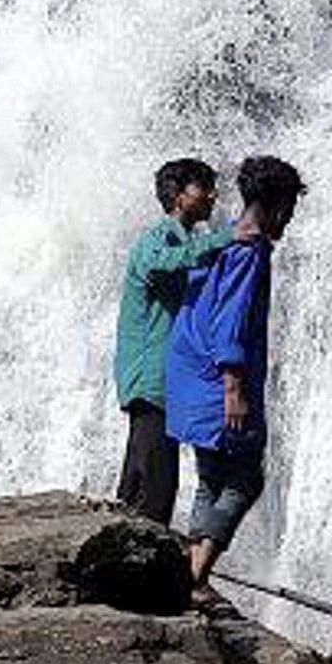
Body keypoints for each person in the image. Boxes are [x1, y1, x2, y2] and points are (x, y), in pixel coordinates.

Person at [160, 153, 306, 596]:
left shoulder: (221, 239)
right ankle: (194, 576)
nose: (290, 219)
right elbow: (231, 319)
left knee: (211, 478)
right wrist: (233, 387)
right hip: (217, 381)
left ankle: (191, 570)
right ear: (278, 204)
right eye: (290, 210)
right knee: (245, 479)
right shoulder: (250, 249)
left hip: (188, 373)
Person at [110, 157, 227, 525]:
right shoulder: (159, 237)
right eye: (202, 187)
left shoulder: (186, 241)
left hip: (166, 382)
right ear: (178, 196)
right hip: (151, 380)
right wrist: (225, 238)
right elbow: (158, 265)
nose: (212, 195)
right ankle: (137, 573)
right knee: (154, 488)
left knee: (140, 484)